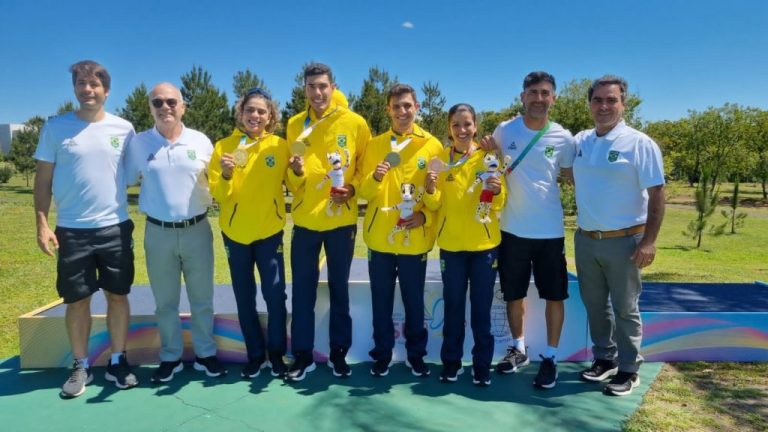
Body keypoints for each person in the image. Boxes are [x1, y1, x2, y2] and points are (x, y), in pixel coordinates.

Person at [34, 60, 138, 397]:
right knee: (77, 300)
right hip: (72, 230)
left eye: (94, 84)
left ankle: (118, 361)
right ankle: (81, 365)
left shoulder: (124, 128)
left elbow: (138, 173)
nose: (87, 89)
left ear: (106, 91)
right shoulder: (55, 128)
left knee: (118, 296)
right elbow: (43, 179)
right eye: (81, 83)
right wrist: (42, 223)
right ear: (75, 89)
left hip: (115, 228)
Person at [479, 71, 575, 389]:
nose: (538, 98)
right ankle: (518, 349)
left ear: (554, 98)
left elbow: (572, 176)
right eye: (532, 92)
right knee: (514, 295)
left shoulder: (563, 138)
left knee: (554, 296)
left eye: (545, 93)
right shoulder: (506, 130)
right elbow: (488, 162)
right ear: (522, 96)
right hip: (512, 230)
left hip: (550, 232)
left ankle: (549, 357)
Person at [124, 82, 224, 383]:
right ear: (150, 108)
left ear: (183, 107)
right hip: (158, 233)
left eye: (171, 102)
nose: (164, 107)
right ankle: (171, 356)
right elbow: (123, 179)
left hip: (197, 229)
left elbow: (221, 181)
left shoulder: (202, 141)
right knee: (165, 301)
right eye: (157, 103)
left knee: (202, 298)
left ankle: (206, 353)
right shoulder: (139, 144)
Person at [573, 75, 665, 396]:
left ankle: (629, 368)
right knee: (595, 305)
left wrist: (649, 241)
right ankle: (605, 359)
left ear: (623, 104)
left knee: (625, 307)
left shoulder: (640, 143)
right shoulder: (581, 140)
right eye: (597, 100)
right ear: (589, 104)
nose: (604, 106)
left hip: (625, 240)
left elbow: (657, 194)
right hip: (586, 240)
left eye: (611, 100)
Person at [284, 63, 371, 381]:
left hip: (341, 222)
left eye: (322, 86)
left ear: (333, 86)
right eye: (311, 86)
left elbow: (365, 167)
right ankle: (303, 356)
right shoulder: (295, 125)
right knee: (303, 293)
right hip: (306, 221)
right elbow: (293, 182)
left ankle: (339, 354)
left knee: (339, 291)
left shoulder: (356, 123)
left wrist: (351, 190)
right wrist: (294, 171)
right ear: (304, 89)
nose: (317, 92)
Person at [358, 83, 443, 378]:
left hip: (414, 240)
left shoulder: (432, 145)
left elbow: (437, 199)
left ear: (417, 107)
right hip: (380, 238)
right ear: (388, 110)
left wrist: (424, 219)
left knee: (414, 302)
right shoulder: (375, 144)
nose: (402, 111)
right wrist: (375, 176)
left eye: (407, 105)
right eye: (396, 106)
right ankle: (381, 355)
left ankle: (416, 355)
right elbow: (364, 193)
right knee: (380, 302)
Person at [208, 87, 290, 379]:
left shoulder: (280, 146)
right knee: (244, 297)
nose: (255, 115)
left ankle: (277, 355)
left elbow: (293, 181)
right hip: (235, 234)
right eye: (250, 110)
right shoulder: (223, 147)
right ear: (240, 113)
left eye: (261, 111)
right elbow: (218, 193)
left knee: (276, 295)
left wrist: (299, 170)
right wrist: (227, 174)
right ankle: (255, 355)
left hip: (269, 232)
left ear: (270, 117)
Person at [424, 103, 506, 386]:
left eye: (467, 124)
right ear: (449, 128)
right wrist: (431, 188)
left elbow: (501, 201)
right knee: (454, 308)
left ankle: (482, 366)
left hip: (484, 248)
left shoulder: (488, 158)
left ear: (475, 126)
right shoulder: (439, 160)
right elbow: (433, 204)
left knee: (481, 310)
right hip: (451, 248)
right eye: (456, 125)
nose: (462, 130)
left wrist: (496, 191)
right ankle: (451, 363)